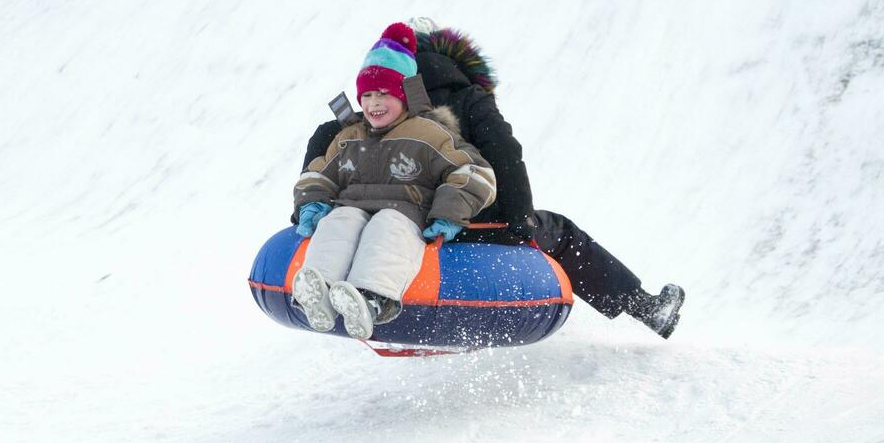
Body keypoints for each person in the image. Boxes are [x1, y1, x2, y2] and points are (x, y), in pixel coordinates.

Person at [302, 22, 685, 339]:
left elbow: (326, 139)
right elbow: (505, 152)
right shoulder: (468, 97)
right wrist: (520, 221)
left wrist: (307, 209)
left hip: (389, 218)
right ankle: (645, 306)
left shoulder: (376, 105)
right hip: (475, 223)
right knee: (561, 233)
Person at [291, 22, 497, 340]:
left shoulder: (429, 133)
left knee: (387, 225)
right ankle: (320, 291)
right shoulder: (349, 137)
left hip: (405, 211)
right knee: (339, 220)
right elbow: (321, 172)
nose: (375, 104)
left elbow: (473, 173)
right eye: (368, 95)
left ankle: (373, 300)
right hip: (353, 207)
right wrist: (313, 202)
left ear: (405, 95)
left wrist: (449, 213)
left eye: (385, 94)